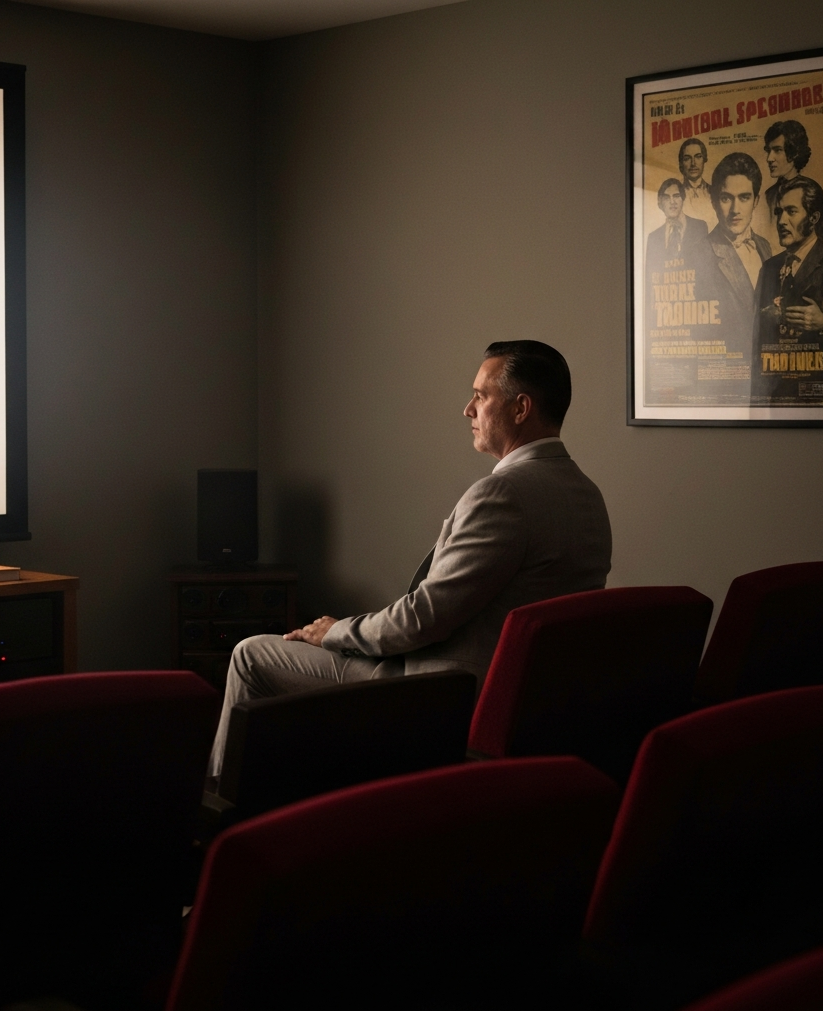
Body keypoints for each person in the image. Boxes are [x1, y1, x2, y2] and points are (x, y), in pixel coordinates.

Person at [207, 341, 612, 777]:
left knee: (252, 654)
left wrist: (335, 632)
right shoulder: (587, 495)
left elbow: (423, 618)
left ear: (521, 408)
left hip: (439, 694)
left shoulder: (503, 494)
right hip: (533, 702)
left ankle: (220, 805)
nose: (467, 409)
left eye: (481, 395)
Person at [690, 152, 772, 397]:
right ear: (714, 201)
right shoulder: (697, 254)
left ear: (756, 200)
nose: (735, 209)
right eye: (726, 198)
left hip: (766, 381)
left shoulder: (765, 247)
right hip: (722, 386)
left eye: (744, 197)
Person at [753, 176, 823, 402]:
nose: (781, 221)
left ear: (814, 217)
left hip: (817, 401)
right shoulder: (769, 268)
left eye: (791, 211)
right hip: (773, 399)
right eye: (779, 212)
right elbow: (756, 338)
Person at [645, 178, 708, 281]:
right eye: (666, 198)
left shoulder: (699, 227)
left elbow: (705, 271)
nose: (672, 202)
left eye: (676, 196)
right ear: (660, 204)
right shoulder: (653, 238)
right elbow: (650, 279)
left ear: (683, 199)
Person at [763, 120, 811, 218]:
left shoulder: (810, 191)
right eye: (769, 151)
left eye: (778, 150)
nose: (769, 159)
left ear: (793, 153)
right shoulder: (770, 195)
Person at [679, 138, 716, 229]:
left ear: (704, 160)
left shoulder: (715, 192)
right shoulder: (677, 194)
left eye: (698, 157)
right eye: (687, 158)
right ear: (681, 163)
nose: (693, 163)